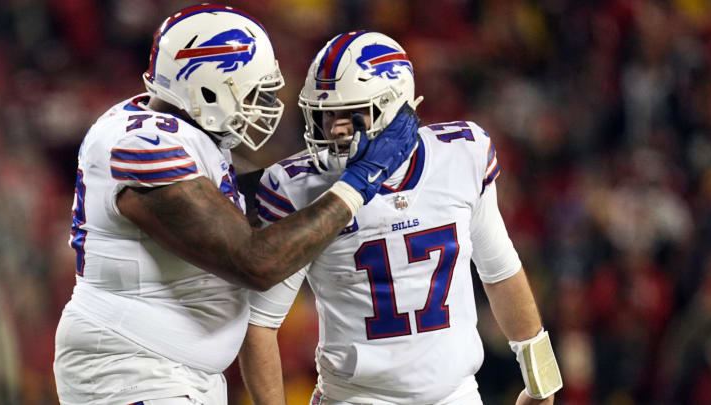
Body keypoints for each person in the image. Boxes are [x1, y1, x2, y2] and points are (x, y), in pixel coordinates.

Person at [53, 7, 419, 405]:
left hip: (172, 371)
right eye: (248, 90)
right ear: (206, 87)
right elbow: (255, 263)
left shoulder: (179, 130)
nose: (258, 103)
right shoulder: (145, 146)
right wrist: (360, 179)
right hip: (131, 368)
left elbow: (224, 201)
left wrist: (318, 172)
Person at [239, 31, 563, 405]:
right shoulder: (297, 187)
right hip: (357, 399)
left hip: (455, 395)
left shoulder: (461, 156)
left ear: (395, 108)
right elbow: (259, 325)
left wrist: (541, 380)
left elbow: (500, 271)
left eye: (352, 114)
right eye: (326, 114)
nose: (334, 128)